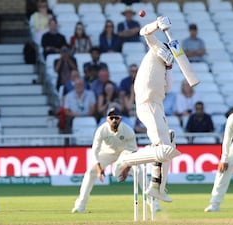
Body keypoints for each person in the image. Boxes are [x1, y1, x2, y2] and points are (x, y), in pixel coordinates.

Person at [113, 16, 181, 203]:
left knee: (169, 142)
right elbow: (145, 32)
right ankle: (126, 159)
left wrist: (169, 66)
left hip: (157, 106)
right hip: (147, 103)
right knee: (165, 148)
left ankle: (156, 187)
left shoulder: (167, 66)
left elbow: (168, 88)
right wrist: (157, 25)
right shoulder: (156, 47)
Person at [72, 107, 160, 213]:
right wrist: (99, 170)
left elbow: (133, 153)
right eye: (111, 118)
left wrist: (126, 170)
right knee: (91, 172)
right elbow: (95, 151)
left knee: (139, 171)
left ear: (120, 119)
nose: (114, 120)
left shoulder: (128, 131)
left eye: (116, 118)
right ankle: (80, 205)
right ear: (107, 119)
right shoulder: (101, 130)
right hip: (107, 153)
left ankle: (153, 204)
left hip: (124, 154)